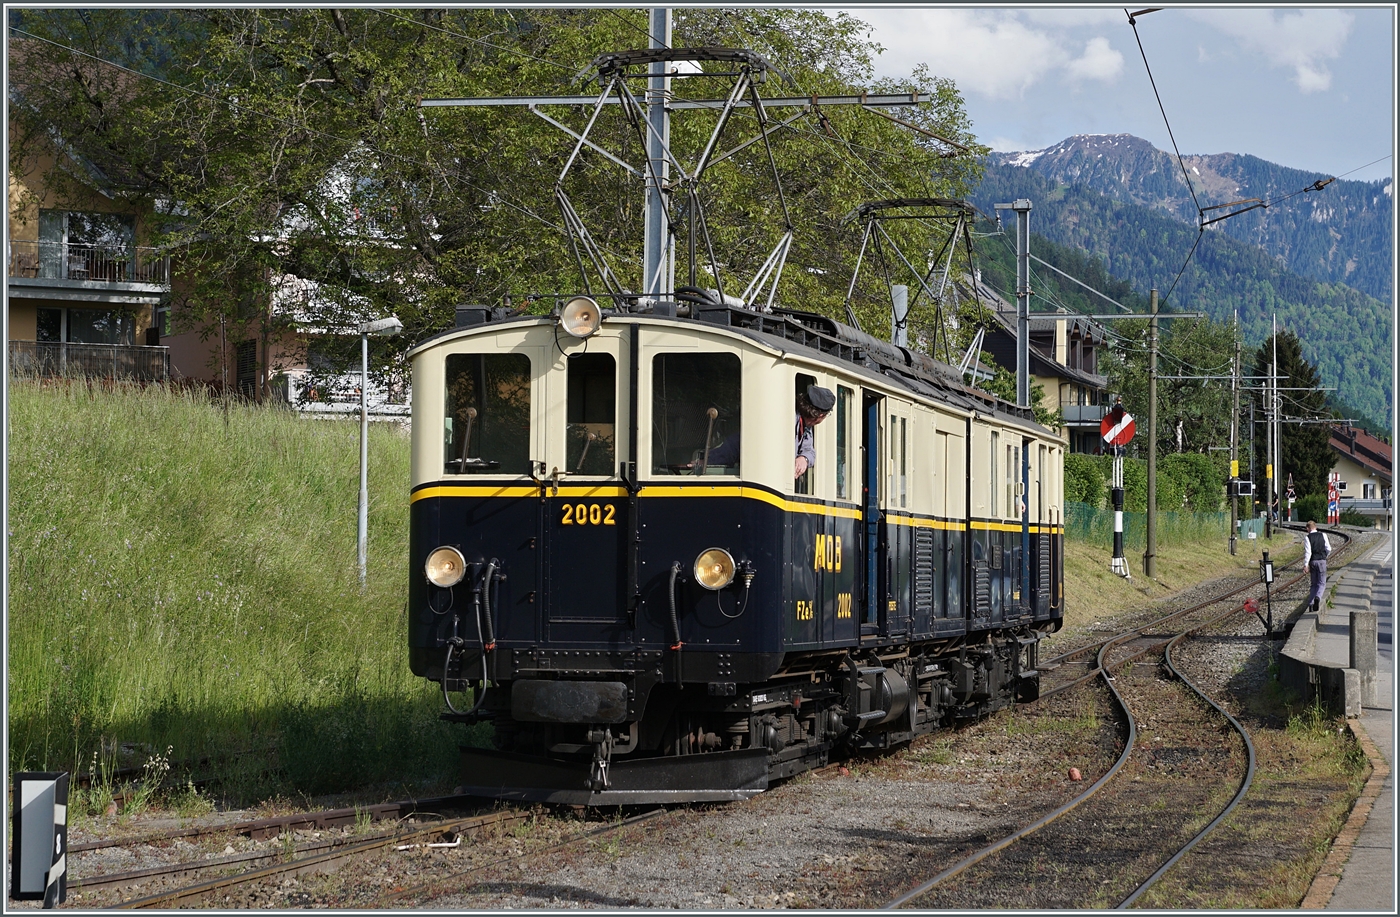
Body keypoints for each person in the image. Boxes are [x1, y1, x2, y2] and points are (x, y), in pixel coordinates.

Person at [793, 384, 835, 479]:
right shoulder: (792, 418)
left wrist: (804, 458)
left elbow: (810, 451)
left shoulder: (807, 425)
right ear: (820, 415)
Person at [1302, 520, 1331, 613]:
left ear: (1308, 528)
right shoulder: (1323, 535)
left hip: (1313, 562)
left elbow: (1308, 552)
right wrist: (1324, 556)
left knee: (1314, 584)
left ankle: (1311, 604)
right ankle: (1318, 597)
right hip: (1322, 561)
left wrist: (1305, 565)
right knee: (1322, 583)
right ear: (1316, 527)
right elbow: (1328, 548)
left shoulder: (1307, 538)